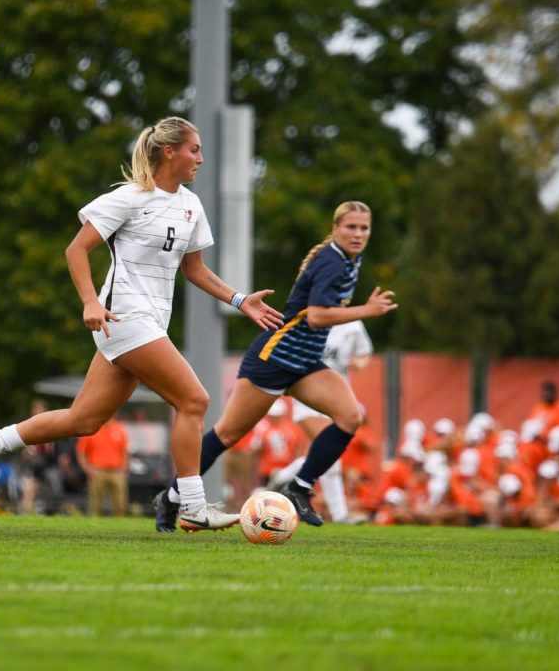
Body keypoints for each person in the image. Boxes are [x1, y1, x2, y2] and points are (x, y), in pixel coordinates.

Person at [0, 117, 283, 531]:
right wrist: (90, 302)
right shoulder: (128, 198)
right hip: (123, 317)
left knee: (84, 420)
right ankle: (192, 505)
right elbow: (76, 250)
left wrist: (239, 299)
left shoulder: (190, 205)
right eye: (194, 149)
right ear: (169, 152)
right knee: (194, 401)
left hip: (148, 324)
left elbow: (194, 269)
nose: (200, 158)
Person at [152, 201, 396, 531]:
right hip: (275, 358)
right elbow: (317, 315)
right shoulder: (332, 262)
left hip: (307, 361)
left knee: (349, 417)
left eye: (364, 228)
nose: (357, 233)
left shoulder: (351, 259)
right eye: (350, 227)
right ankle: (171, 497)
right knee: (227, 434)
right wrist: (366, 311)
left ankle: (299, 488)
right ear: (336, 228)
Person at [271, 320, 374, 524]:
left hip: (339, 398)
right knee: (329, 452)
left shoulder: (353, 325)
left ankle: (284, 476)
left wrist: (360, 362)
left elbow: (365, 353)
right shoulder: (309, 319)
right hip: (309, 396)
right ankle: (339, 514)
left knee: (326, 452)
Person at [75, 415, 130, 517]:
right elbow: (81, 452)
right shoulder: (91, 430)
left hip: (116, 471)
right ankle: (93, 529)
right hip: (98, 471)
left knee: (120, 506)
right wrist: (88, 469)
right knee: (95, 505)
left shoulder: (119, 428)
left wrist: (124, 470)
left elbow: (125, 452)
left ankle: (120, 528)